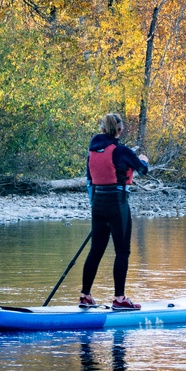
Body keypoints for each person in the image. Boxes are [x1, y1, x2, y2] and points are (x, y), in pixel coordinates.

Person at [80, 112, 150, 309]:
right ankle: (119, 299)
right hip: (117, 203)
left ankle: (85, 296)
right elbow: (143, 170)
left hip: (98, 204)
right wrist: (143, 159)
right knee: (122, 251)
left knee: (96, 250)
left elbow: (89, 182)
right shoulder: (121, 151)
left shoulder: (92, 151)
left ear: (102, 129)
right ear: (120, 130)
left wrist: (95, 205)